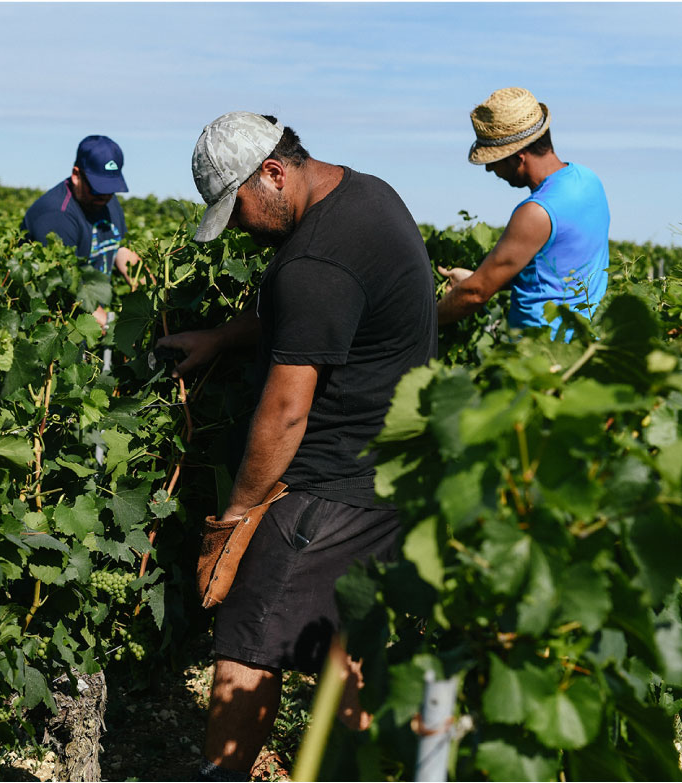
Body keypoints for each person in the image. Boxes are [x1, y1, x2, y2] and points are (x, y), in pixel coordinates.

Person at [155, 112, 437, 781]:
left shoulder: (311, 260)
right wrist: (224, 337)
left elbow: (284, 415)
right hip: (389, 473)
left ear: (273, 173)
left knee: (248, 642)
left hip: (329, 483)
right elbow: (321, 322)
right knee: (346, 651)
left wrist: (240, 516)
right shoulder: (366, 195)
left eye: (240, 207)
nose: (243, 226)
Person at [437, 87, 610, 334]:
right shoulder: (588, 181)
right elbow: (556, 271)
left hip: (541, 351)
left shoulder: (535, 212)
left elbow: (476, 294)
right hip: (581, 344)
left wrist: (423, 322)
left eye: (493, 161)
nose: (489, 170)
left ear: (518, 158)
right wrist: (476, 276)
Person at [22, 135, 141, 330]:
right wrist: (113, 327)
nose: (104, 196)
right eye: (97, 189)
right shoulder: (57, 215)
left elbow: (121, 251)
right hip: (60, 321)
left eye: (110, 189)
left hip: (91, 313)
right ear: (76, 175)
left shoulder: (107, 201)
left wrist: (154, 298)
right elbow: (65, 285)